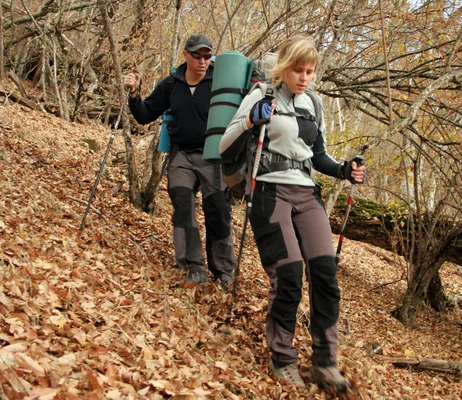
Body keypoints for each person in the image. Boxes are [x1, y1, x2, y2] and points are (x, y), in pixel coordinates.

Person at [220, 35, 366, 393]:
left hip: (306, 192)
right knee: (289, 273)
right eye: (298, 70)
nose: (304, 77)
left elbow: (319, 156)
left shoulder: (314, 104)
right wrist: (252, 121)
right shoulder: (262, 96)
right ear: (284, 68)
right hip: (269, 191)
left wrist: (345, 170)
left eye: (310, 71)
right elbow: (225, 144)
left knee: (326, 273)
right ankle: (282, 358)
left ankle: (325, 363)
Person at [124, 34, 235, 289]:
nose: (203, 61)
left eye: (207, 56)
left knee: (218, 211)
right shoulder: (171, 84)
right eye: (197, 55)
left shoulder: (219, 80)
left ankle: (223, 272)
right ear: (185, 55)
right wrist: (134, 94)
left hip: (213, 157)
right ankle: (194, 266)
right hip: (182, 155)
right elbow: (145, 115)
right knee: (183, 203)